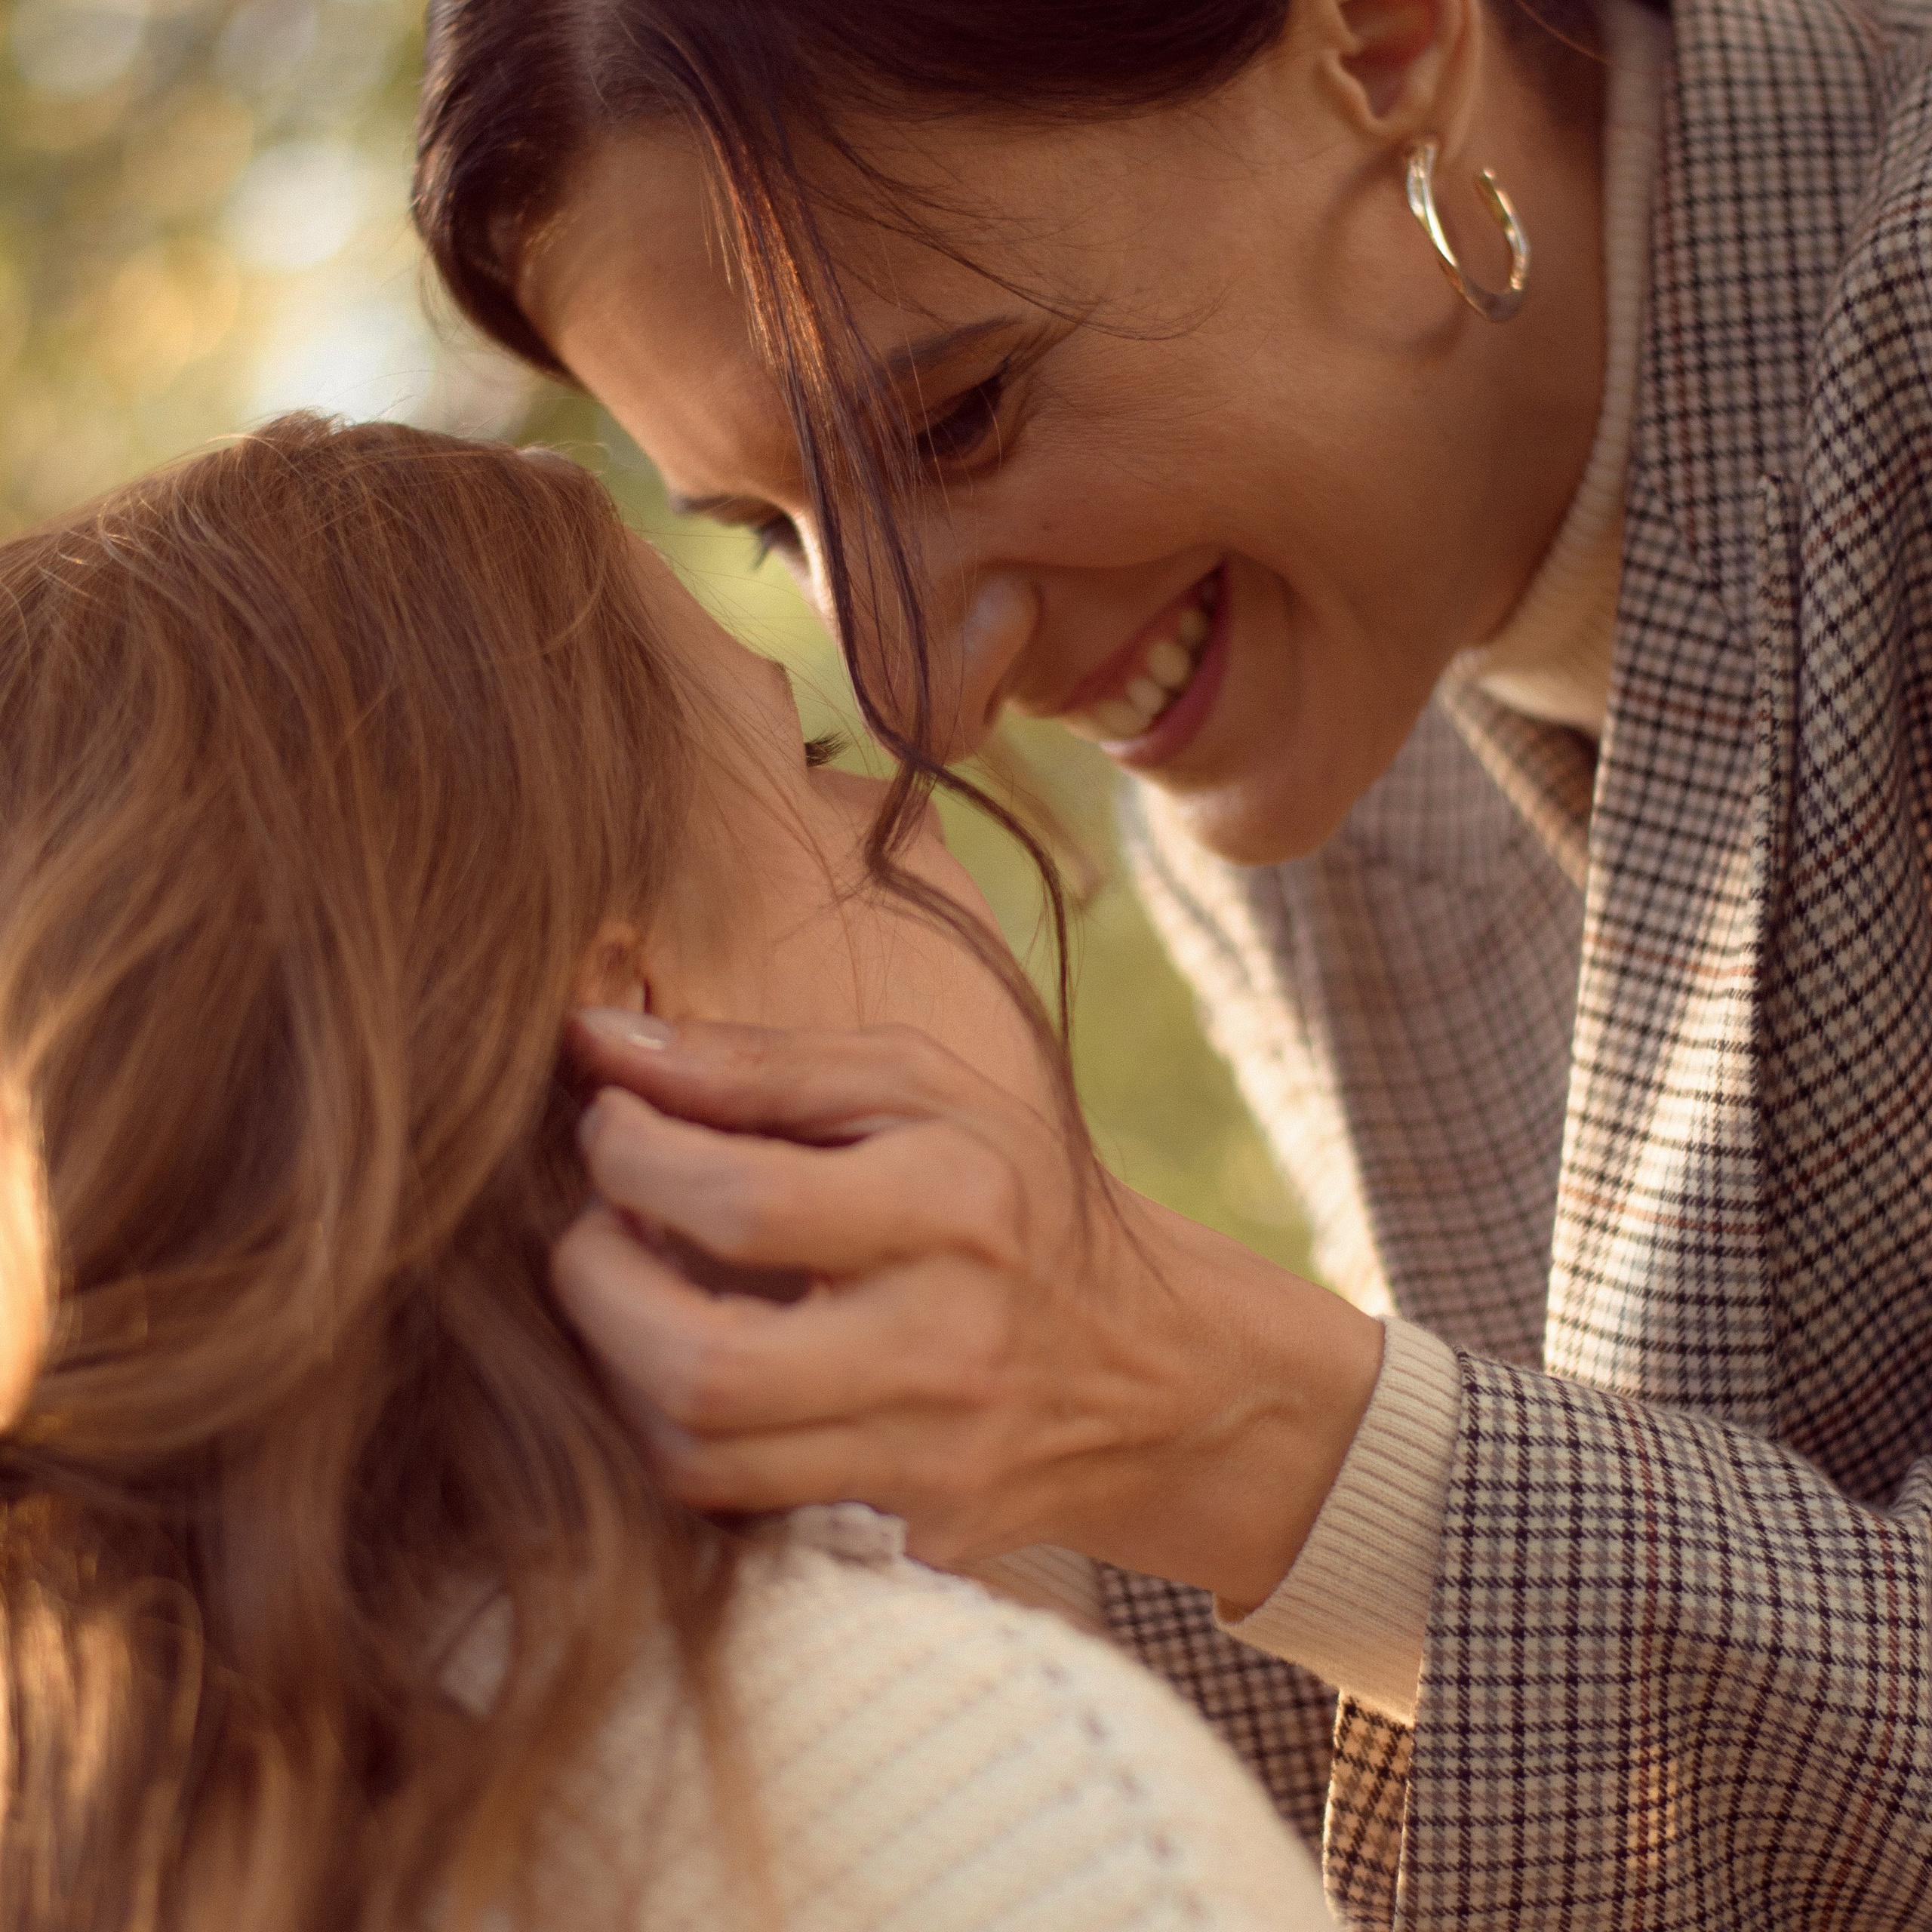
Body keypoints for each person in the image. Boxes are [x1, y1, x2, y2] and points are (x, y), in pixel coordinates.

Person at [414, 0, 1932, 1924]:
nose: (915, 699)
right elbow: (1526, 1707)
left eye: (955, 416)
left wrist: (1228, 1415)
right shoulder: (1296, 772)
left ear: (1377, 49)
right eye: (779, 531)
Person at [0, 414, 1335, 1932]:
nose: (913, 772)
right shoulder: (997, 1795)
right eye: (812, 755)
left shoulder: (104, 1795)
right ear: (631, 1030)